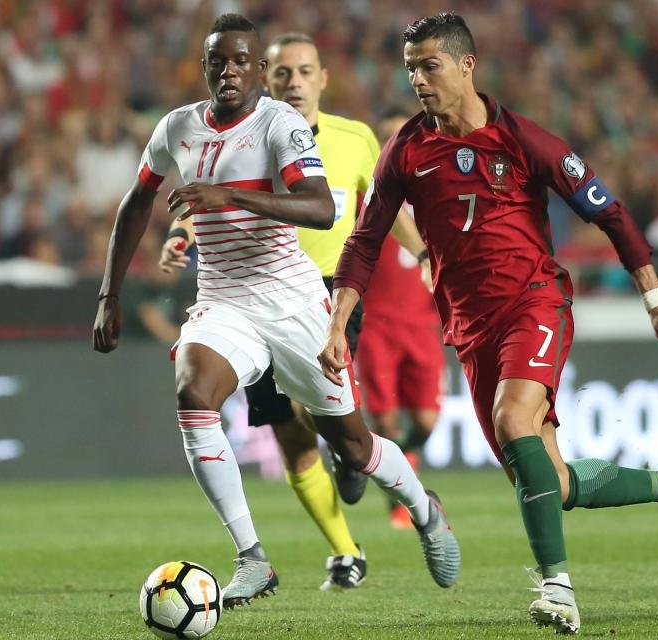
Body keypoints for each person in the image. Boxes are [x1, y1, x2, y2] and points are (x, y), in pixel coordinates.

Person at [319, 13, 658, 635]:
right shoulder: (406, 148)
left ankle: (557, 588)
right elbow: (366, 240)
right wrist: (339, 320)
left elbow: (610, 213)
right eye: (410, 69)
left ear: (465, 65)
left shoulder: (525, 140)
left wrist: (656, 299)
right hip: (469, 328)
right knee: (550, 482)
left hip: (535, 303)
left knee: (513, 421)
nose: (418, 80)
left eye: (429, 66)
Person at [92, 14, 460, 609]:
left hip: (293, 301)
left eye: (242, 61)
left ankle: (424, 512)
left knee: (356, 447)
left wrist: (228, 194)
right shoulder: (177, 128)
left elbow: (319, 209)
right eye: (219, 61)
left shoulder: (280, 124)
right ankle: (252, 559)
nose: (230, 71)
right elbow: (137, 202)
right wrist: (109, 294)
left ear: (256, 70)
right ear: (205, 67)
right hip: (223, 299)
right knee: (193, 394)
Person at [159, 32, 428, 589]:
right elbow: (206, 195)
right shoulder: (247, 130)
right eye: (283, 73)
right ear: (267, 77)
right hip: (245, 297)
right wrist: (181, 233)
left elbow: (379, 211)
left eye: (305, 71)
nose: (294, 82)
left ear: (323, 78)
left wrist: (423, 253)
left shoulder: (355, 140)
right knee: (290, 434)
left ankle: (359, 462)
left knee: (332, 425)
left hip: (328, 293)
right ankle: (344, 550)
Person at [357, 109, 446, 529]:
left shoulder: (437, 192)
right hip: (377, 325)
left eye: (403, 136)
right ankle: (400, 503)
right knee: (387, 421)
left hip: (421, 325)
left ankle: (403, 467)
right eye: (389, 137)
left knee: (427, 421)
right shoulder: (366, 196)